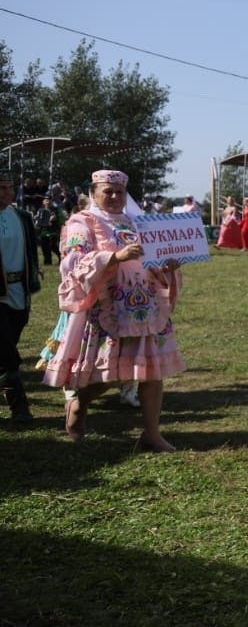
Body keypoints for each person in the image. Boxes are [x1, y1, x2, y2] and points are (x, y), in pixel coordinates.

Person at [43, 169, 186, 450]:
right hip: (108, 308)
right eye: (107, 191)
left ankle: (151, 433)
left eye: (119, 192)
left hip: (146, 306)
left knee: (152, 372)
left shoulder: (138, 223)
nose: (114, 197)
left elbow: (154, 261)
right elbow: (72, 262)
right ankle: (79, 403)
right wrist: (113, 257)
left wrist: (168, 265)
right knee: (113, 375)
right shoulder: (82, 222)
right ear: (94, 194)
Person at [0, 170, 41, 423]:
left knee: (7, 345)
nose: (7, 192)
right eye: (1, 188)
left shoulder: (22, 216)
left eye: (10, 187)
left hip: (19, 290)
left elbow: (29, 250)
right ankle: (20, 407)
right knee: (6, 351)